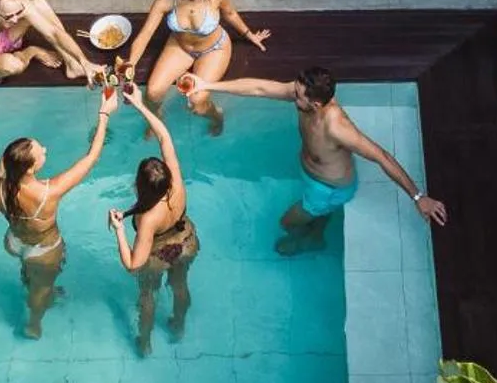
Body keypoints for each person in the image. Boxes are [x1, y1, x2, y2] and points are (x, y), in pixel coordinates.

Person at [186, 65, 448, 254]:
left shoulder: (336, 127)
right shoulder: (306, 96)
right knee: (315, 213)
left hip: (329, 189)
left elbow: (381, 156)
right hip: (314, 176)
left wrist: (418, 197)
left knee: (286, 223)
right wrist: (206, 85)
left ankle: (310, 240)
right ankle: (319, 228)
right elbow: (258, 87)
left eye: (298, 95)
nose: (292, 95)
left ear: (316, 105)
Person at [0, 83, 117, 336]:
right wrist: (104, 114)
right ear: (30, 168)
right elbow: (91, 158)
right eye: (40, 150)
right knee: (40, 292)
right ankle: (34, 323)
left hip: (14, 242)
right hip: (42, 251)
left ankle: (31, 280)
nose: (45, 150)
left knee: (32, 275)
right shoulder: (48, 192)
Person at [127, 0, 269, 130]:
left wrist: (249, 35)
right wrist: (130, 65)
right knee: (152, 94)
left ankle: (216, 116)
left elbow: (231, 14)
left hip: (213, 49)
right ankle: (156, 121)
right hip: (180, 47)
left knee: (197, 102)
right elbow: (145, 34)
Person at [108, 84, 198, 353]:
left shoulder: (148, 218)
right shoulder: (176, 181)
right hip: (186, 241)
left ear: (140, 185)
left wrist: (119, 230)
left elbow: (134, 265)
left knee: (148, 295)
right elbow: (164, 137)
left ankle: (145, 342)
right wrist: (139, 104)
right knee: (180, 285)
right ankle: (178, 325)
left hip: (159, 255)